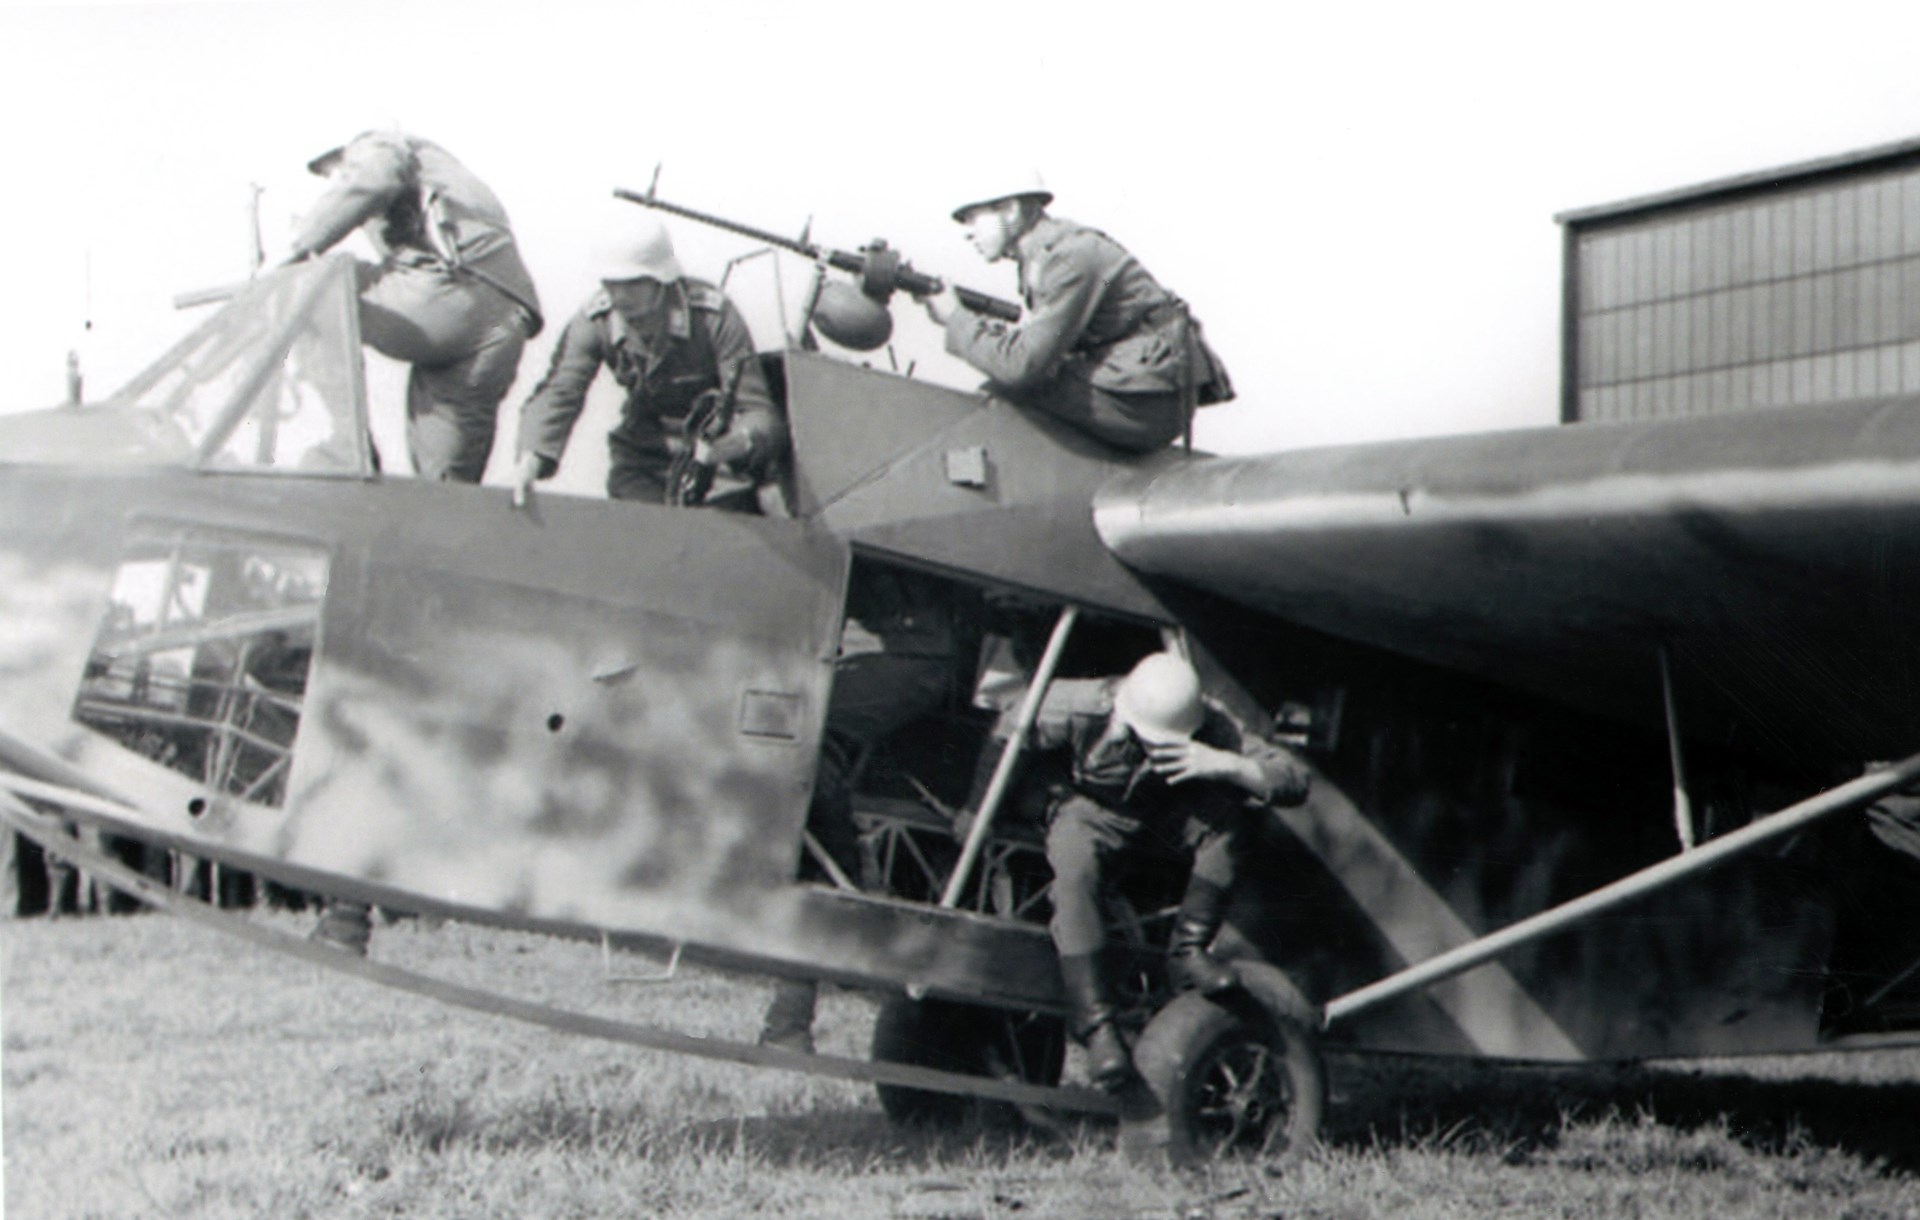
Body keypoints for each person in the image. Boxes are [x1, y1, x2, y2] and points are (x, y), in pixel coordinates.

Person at [982, 651, 1309, 1090]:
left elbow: (1293, 779)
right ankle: (1098, 1029)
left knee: (1232, 824)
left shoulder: (1212, 721)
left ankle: (1188, 951)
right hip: (1089, 808)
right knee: (1074, 877)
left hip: (1164, 812)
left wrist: (1223, 763)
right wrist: (975, 810)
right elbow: (1009, 729)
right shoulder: (1077, 704)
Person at [756, 567, 978, 1052]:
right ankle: (854, 894)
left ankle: (858, 889)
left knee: (799, 731)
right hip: (896, 654)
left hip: (918, 659)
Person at [288, 130, 543, 483]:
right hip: (501, 327)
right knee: (444, 492)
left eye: (330, 170)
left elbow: (372, 179)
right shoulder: (441, 168)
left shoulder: (378, 145)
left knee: (311, 285)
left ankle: (348, 448)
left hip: (448, 299)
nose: (332, 181)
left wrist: (291, 251)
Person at [917, 175, 1232, 454]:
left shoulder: (1068, 258)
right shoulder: (1044, 256)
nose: (968, 233)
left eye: (973, 218)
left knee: (1007, 386)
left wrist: (956, 319)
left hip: (1146, 404)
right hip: (1137, 388)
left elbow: (1021, 366)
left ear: (1011, 210)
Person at [512, 220, 784, 509]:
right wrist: (532, 457)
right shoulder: (596, 321)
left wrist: (735, 445)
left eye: (632, 284)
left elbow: (755, 409)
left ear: (661, 279)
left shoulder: (713, 317)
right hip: (643, 461)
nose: (619, 297)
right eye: (610, 284)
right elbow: (560, 390)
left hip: (719, 465)